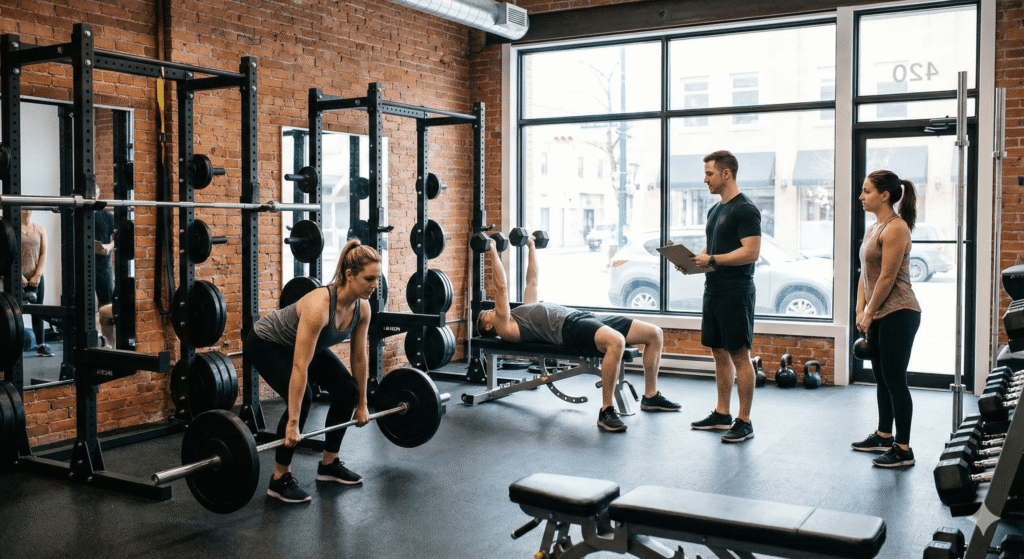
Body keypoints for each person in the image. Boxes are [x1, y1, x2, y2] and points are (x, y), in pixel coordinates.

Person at [476, 233, 680, 433]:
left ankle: (650, 396)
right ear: (487, 327)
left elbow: (532, 281)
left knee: (654, 333)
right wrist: (492, 249)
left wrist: (531, 247)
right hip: (568, 329)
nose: (487, 312)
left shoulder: (521, 313)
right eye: (484, 315)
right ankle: (606, 410)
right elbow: (501, 288)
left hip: (583, 316)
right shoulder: (505, 327)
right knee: (615, 341)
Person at [243, 238, 381, 503]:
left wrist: (362, 403)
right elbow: (299, 366)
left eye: (377, 278)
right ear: (349, 275)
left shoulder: (362, 307)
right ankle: (279, 477)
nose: (375, 285)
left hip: (301, 346)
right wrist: (293, 423)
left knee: (346, 390)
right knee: (302, 397)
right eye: (369, 278)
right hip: (267, 342)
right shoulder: (320, 305)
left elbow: (360, 358)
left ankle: (329, 464)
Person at [686, 150, 761, 443]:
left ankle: (744, 421)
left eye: (709, 174)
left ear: (726, 173)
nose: (705, 179)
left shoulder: (746, 209)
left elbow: (751, 252)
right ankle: (722, 413)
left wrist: (713, 260)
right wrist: (694, 260)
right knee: (718, 351)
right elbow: (712, 248)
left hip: (736, 292)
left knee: (740, 355)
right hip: (713, 290)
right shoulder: (715, 210)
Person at [850, 170, 921, 468]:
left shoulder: (896, 228)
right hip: (879, 312)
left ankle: (903, 449)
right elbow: (865, 275)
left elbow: (888, 278)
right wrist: (859, 309)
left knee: (895, 379)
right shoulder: (874, 228)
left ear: (885, 195)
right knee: (881, 378)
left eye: (866, 191)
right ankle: (883, 434)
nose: (861, 196)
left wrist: (870, 313)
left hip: (899, 312)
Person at [21, 209, 52, 357]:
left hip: (36, 278)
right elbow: (8, 253)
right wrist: (18, 276)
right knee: (14, 312)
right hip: (16, 277)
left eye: (30, 207)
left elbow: (44, 253)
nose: (27, 210)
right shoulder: (11, 228)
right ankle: (15, 347)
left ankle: (41, 346)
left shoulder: (40, 229)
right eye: (24, 207)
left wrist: (38, 275)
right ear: (18, 210)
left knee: (38, 311)